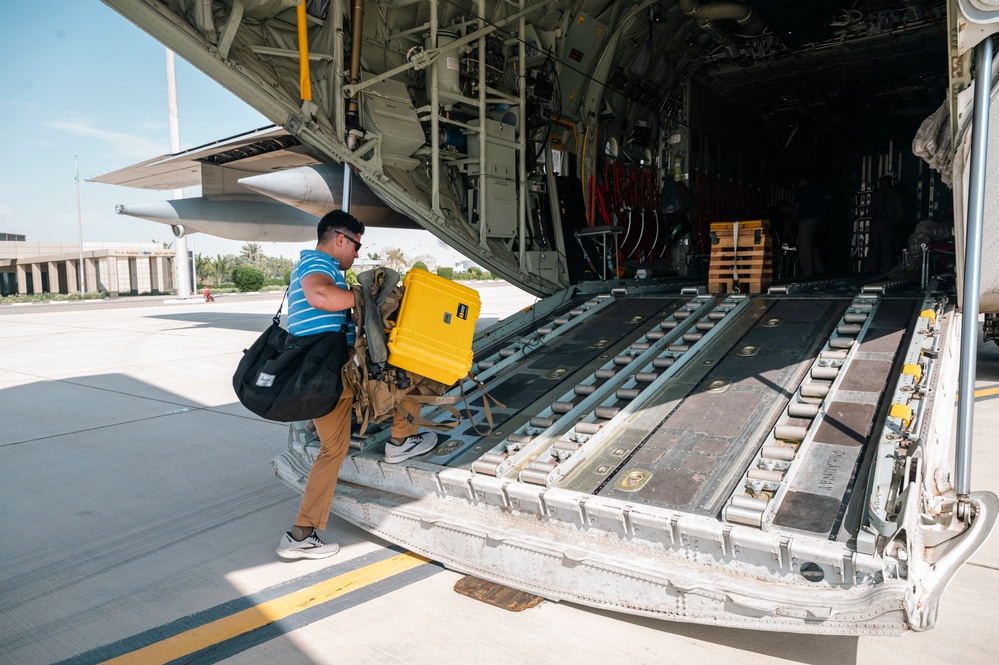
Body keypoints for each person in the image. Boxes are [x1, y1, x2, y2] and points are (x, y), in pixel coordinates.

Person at [277, 210, 439, 560]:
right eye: (356, 245)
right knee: (408, 373)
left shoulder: (315, 267)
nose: (357, 254)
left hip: (322, 376)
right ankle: (402, 440)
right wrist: (367, 295)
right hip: (325, 377)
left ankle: (300, 535)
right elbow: (321, 296)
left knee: (333, 449)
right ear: (340, 239)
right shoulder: (316, 266)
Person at [866, 175, 904, 274]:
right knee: (873, 248)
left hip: (888, 225)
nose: (881, 186)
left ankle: (887, 271)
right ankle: (870, 271)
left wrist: (892, 221)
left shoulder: (894, 197)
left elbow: (900, 212)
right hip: (876, 224)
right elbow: (870, 211)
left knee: (886, 249)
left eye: (883, 183)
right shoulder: (877, 197)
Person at [792, 175, 829, 277]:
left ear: (804, 179)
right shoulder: (817, 189)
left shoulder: (802, 191)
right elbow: (829, 198)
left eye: (799, 180)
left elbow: (796, 207)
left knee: (804, 246)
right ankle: (818, 268)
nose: (798, 183)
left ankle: (807, 271)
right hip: (817, 220)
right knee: (813, 245)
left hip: (806, 220)